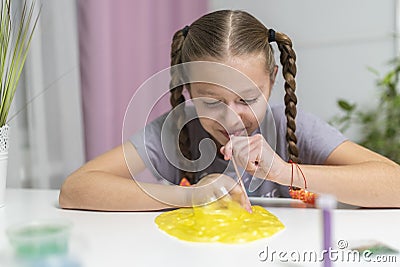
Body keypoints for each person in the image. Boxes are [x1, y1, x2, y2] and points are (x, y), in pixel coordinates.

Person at [59, 10, 400, 211]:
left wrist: (284, 172)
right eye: (210, 102)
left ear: (272, 81)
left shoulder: (288, 126)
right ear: (187, 89)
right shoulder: (177, 131)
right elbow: (76, 189)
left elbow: (394, 184)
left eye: (247, 100)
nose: (231, 117)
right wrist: (192, 195)